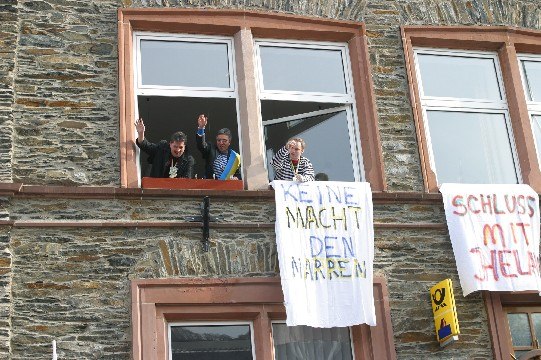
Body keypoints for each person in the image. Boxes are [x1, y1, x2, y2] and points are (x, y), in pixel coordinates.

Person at [196, 114, 241, 180]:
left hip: (227, 188)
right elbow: (201, 145)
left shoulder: (234, 157)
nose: (221, 143)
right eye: (219, 140)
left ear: (229, 142)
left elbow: (239, 174)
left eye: (224, 141)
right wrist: (201, 128)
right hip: (210, 186)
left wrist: (236, 178)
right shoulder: (211, 149)